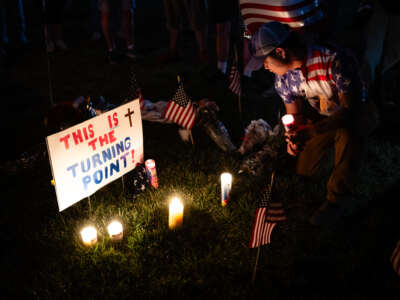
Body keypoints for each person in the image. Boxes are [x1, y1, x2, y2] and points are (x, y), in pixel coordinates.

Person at [246, 21, 379, 227]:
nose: (265, 67)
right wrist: (294, 138)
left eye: (266, 61)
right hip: (324, 118)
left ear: (281, 52)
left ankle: (337, 200)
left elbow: (350, 110)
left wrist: (312, 132)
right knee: (307, 171)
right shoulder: (283, 80)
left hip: (357, 114)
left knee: (348, 132)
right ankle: (336, 155)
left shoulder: (334, 59)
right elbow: (295, 117)